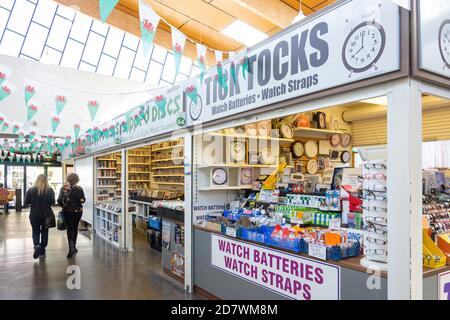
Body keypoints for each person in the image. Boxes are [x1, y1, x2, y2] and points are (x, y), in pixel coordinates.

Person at [24, 174, 55, 259]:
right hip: (47, 215)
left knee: (35, 231)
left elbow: (26, 202)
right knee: (45, 232)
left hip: (34, 214)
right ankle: (42, 251)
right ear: (46, 180)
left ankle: (37, 245)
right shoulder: (50, 190)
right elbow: (53, 202)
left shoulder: (31, 190)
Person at [57, 173, 85, 259]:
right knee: (75, 228)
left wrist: (64, 206)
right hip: (77, 212)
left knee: (70, 228)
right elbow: (83, 200)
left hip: (67, 211)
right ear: (77, 179)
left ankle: (71, 248)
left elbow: (59, 200)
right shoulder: (79, 188)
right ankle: (74, 247)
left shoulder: (64, 188)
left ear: (68, 179)